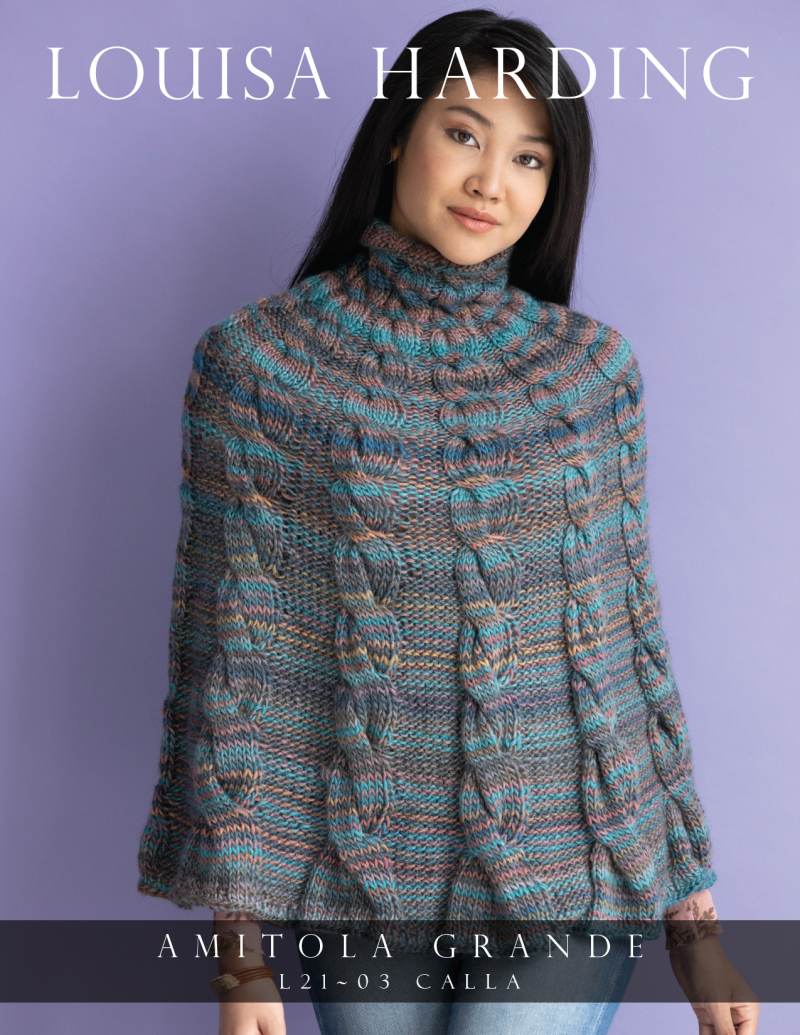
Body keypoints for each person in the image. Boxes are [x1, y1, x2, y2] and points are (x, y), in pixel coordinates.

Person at [136, 9, 759, 1035]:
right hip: (362, 881)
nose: (489, 182)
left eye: (529, 157)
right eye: (463, 133)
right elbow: (235, 677)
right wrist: (238, 963)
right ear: (396, 136)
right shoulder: (257, 368)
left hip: (567, 875)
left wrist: (697, 933)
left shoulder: (590, 377)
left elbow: (627, 663)